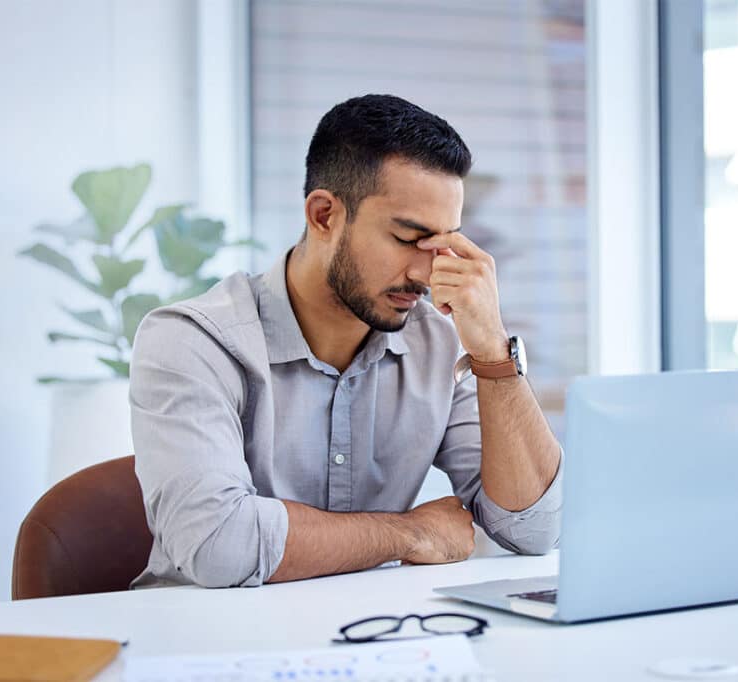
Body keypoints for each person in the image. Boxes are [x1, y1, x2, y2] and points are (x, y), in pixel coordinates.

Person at [129, 94, 562, 589]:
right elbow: (218, 546)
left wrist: (492, 355)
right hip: (211, 651)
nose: (427, 272)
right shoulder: (192, 342)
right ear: (324, 216)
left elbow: (534, 529)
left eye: (443, 243)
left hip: (370, 641)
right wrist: (409, 534)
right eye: (407, 238)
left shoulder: (437, 343)